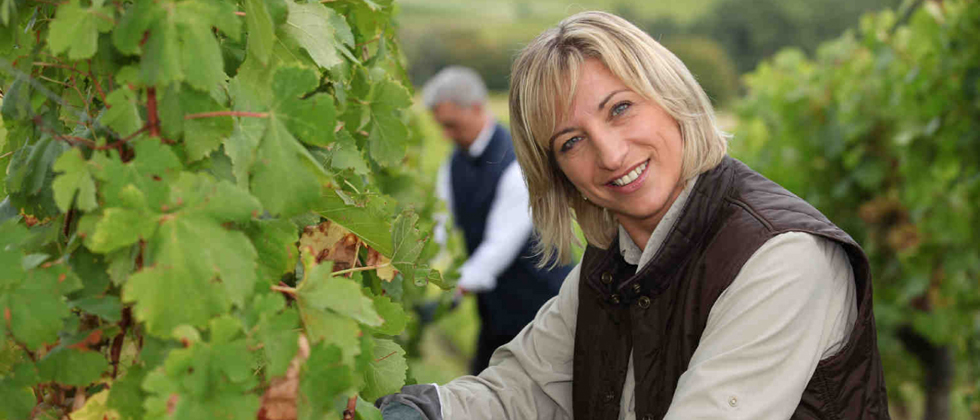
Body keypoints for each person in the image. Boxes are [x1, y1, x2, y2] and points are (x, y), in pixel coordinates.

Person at [379, 11, 889, 420]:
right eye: (571, 141)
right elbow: (522, 390)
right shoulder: (609, 267)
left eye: (620, 108)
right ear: (559, 174)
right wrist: (422, 410)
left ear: (669, 95)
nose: (611, 154)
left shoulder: (782, 258)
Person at [421, 66, 573, 375]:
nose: (446, 135)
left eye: (451, 125)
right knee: (486, 385)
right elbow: (441, 223)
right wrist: (421, 274)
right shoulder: (453, 163)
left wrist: (453, 290)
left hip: (543, 305)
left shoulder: (515, 164)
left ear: (477, 108)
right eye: (441, 127)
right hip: (495, 308)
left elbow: (499, 247)